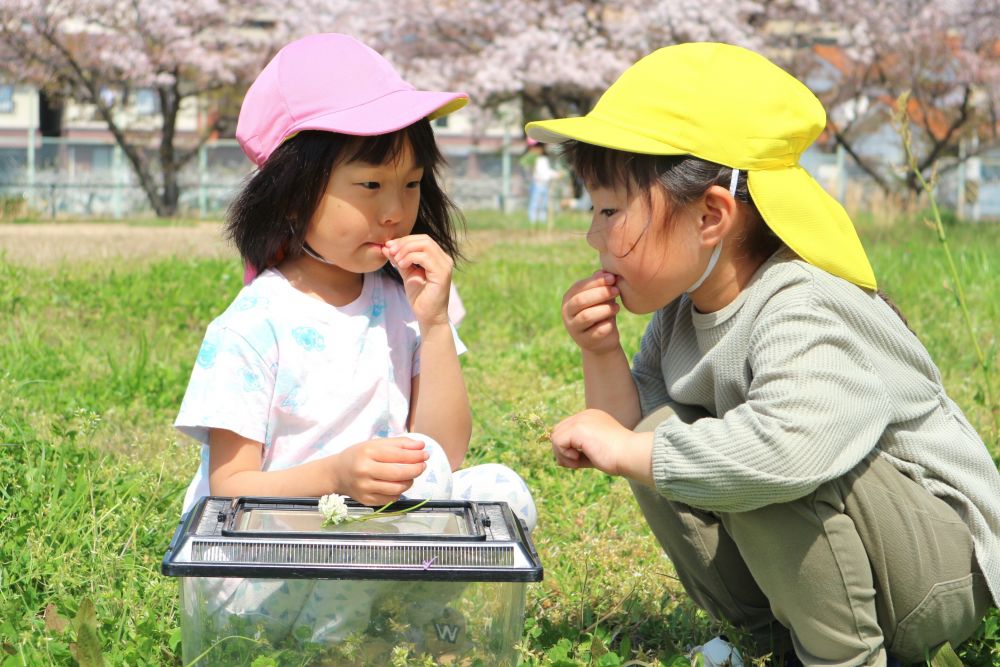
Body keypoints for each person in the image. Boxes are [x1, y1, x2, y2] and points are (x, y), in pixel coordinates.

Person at [526, 42, 999, 666]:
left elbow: (791, 450)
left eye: (611, 210)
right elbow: (626, 431)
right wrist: (601, 354)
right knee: (658, 432)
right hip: (847, 563)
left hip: (940, 576)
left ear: (710, 217)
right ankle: (776, 627)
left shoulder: (801, 303)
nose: (594, 234)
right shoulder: (680, 309)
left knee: (755, 460)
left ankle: (840, 656)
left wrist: (633, 448)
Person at [174, 33, 536, 646]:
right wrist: (336, 477)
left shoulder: (405, 298)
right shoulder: (254, 323)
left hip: (371, 535)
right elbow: (230, 488)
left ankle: (395, 625)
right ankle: (338, 645)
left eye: (413, 184)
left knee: (502, 494)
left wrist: (437, 323)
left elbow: (442, 452)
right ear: (293, 192)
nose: (396, 211)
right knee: (380, 520)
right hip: (263, 573)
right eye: (370, 186)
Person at [522, 140, 556, 224]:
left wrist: (554, 174)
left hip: (544, 184)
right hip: (537, 184)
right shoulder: (533, 159)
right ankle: (532, 221)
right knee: (535, 204)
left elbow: (546, 172)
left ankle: (542, 221)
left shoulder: (543, 159)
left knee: (543, 204)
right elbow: (542, 173)